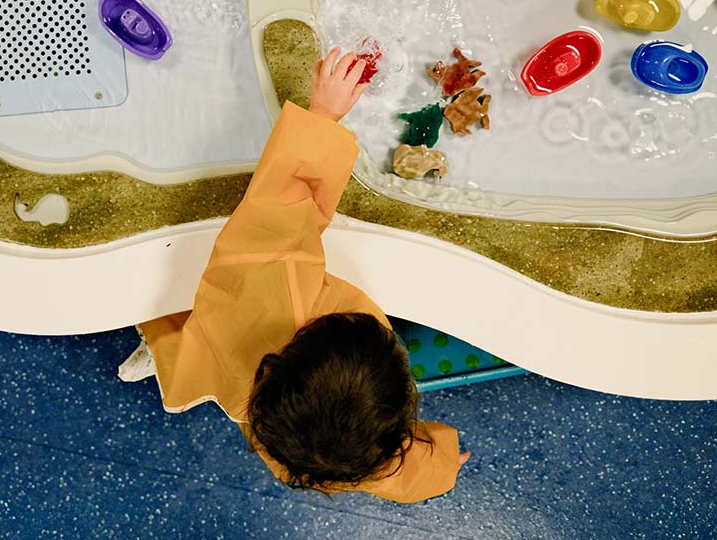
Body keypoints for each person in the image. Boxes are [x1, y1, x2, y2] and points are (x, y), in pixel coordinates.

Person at [120, 47, 470, 502]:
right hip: (251, 395)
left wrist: (323, 114)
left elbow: (282, 198)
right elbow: (406, 476)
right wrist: (443, 462)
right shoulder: (322, 462)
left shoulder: (280, 284)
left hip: (225, 333)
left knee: (186, 339)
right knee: (201, 359)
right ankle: (164, 359)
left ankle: (157, 350)